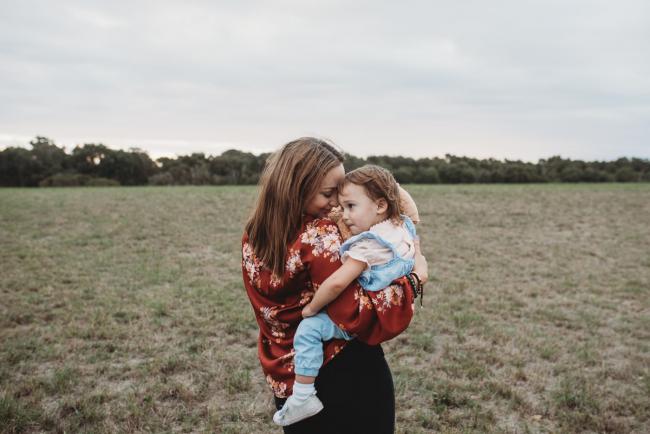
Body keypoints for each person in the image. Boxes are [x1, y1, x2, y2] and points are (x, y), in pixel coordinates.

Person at [242, 138, 427, 433]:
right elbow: (357, 314)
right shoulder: (320, 236)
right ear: (296, 189)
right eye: (328, 194)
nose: (335, 206)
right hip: (344, 377)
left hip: (289, 381)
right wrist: (415, 281)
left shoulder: (254, 235)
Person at [272, 164, 419, 426]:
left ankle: (303, 395)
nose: (343, 214)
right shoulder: (401, 227)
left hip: (358, 320)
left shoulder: (366, 244)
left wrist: (312, 308)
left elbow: (337, 284)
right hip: (394, 309)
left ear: (380, 205)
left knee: (309, 330)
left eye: (350, 206)